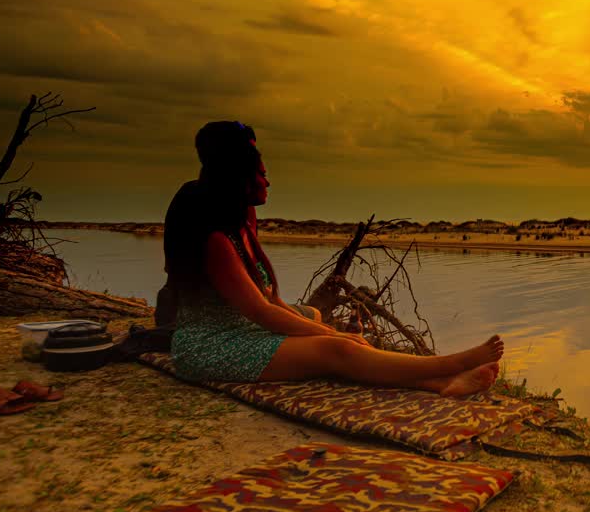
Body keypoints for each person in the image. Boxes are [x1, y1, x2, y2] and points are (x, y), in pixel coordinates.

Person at [160, 120, 503, 396]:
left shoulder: (243, 219)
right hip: (213, 344)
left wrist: (318, 327)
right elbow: (261, 311)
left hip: (244, 326)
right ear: (238, 177)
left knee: (312, 316)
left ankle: (435, 383)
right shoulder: (216, 239)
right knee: (334, 350)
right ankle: (449, 365)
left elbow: (272, 299)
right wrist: (332, 337)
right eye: (261, 173)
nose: (268, 180)